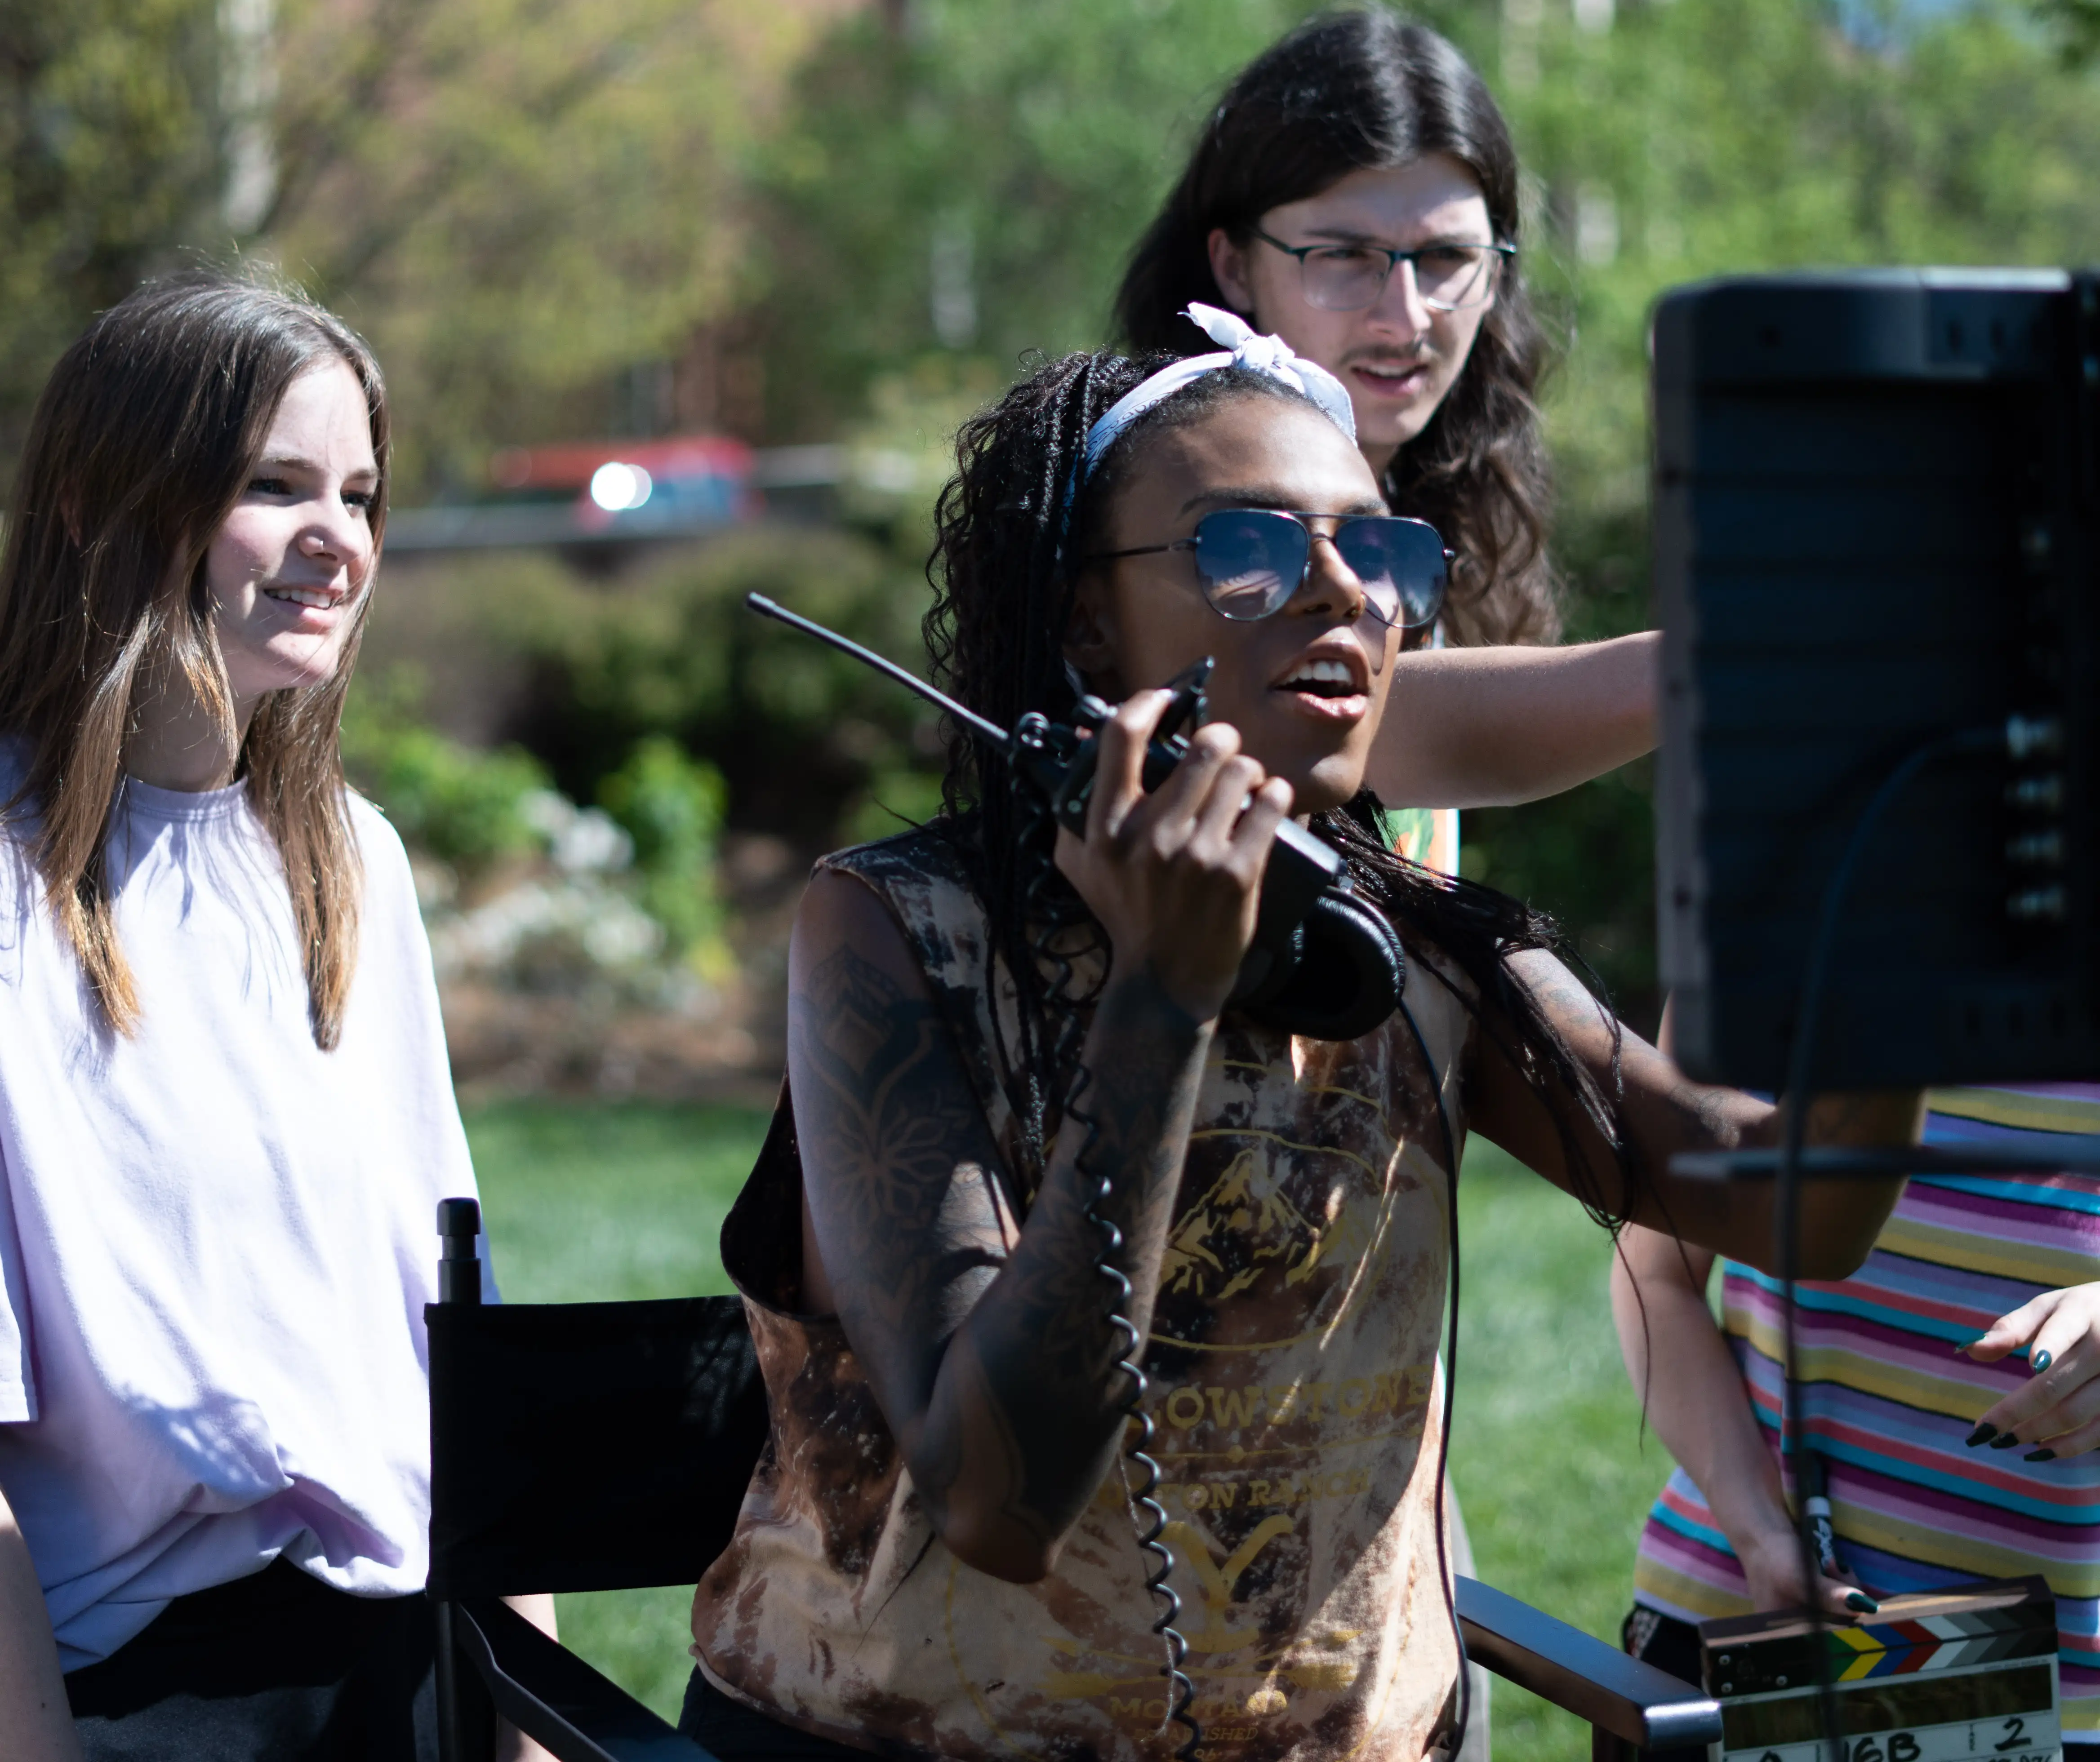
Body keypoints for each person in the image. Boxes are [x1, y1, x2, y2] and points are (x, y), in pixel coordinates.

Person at [681, 324, 1925, 1761]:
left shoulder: (1408, 940)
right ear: (1088, 622)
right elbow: (995, 1500)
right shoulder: (896, 933)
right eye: (1248, 552)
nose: (1344, 594)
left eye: (1383, 558)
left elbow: (1806, 1206)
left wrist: (1906, 877)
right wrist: (1162, 1000)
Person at [0, 276, 551, 1761]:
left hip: (405, 1658)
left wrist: (535, 1712)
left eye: (362, 494)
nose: (340, 541)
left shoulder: (347, 858)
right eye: (273, 485)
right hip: (120, 1685)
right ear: (95, 506)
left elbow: (457, 1333)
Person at [1116, 3, 1656, 833]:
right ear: (1232, 266)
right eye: (1343, 256)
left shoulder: (1425, 508)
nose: (1404, 318)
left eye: (1447, 259)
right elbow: (1392, 727)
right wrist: (1739, 660)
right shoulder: (1163, 509)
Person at [1614, 1077, 2100, 1748]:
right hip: (1739, 1631)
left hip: (2054, 1692)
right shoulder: (1766, 975)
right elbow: (1656, 1273)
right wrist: (1759, 1535)